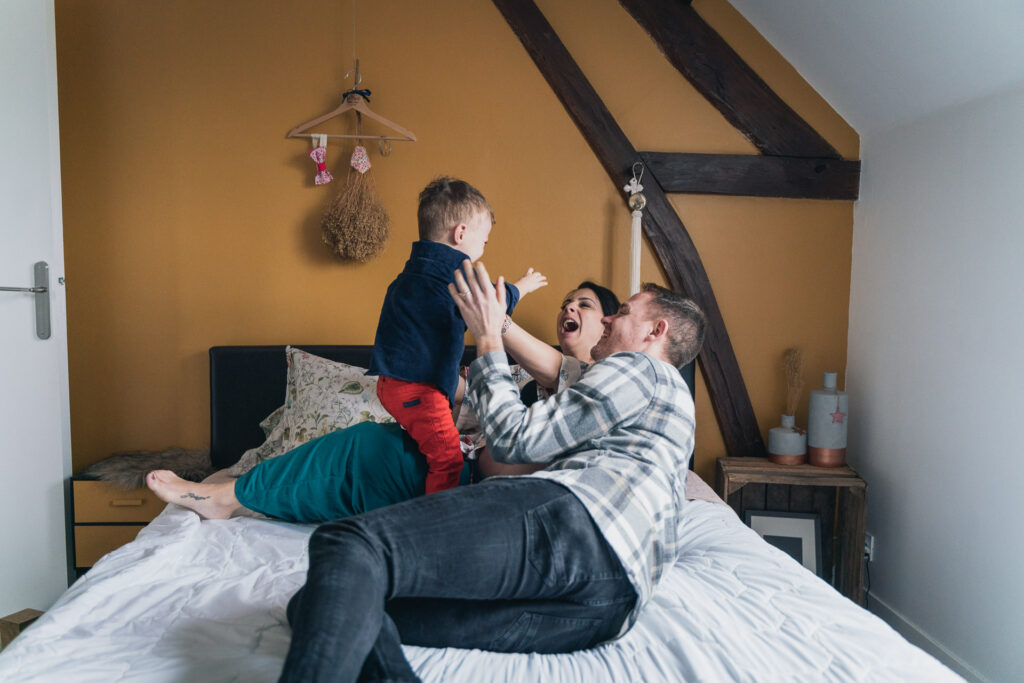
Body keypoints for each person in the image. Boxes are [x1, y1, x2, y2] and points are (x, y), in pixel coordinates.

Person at [278, 260, 706, 682]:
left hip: (578, 527)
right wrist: (498, 322)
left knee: (348, 541)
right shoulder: (656, 399)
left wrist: (485, 335)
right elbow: (560, 371)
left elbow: (514, 439)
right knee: (321, 603)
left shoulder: (641, 367)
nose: (611, 319)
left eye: (624, 312)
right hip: (608, 606)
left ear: (656, 331)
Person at [144, 281, 621, 522]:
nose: (569, 310)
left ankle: (235, 499)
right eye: (566, 303)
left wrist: (494, 323)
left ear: (607, 327)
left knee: (370, 464)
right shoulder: (509, 377)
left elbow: (560, 372)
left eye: (585, 305)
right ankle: (234, 495)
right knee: (368, 445)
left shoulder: (607, 382)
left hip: (508, 503)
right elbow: (465, 410)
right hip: (461, 473)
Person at [367, 177, 546, 495]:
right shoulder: (454, 276)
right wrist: (523, 285)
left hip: (389, 384)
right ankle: (436, 518)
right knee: (449, 460)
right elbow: (493, 303)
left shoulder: (409, 274)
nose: (482, 249)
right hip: (418, 390)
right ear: (460, 233)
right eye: (485, 240)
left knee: (432, 445)